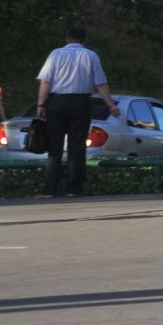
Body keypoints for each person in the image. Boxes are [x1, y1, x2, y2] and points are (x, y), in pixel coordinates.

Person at [34, 26, 121, 197]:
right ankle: (74, 188)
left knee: (55, 146)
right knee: (77, 145)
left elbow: (45, 82)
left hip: (57, 102)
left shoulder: (55, 54)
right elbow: (100, 84)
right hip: (81, 102)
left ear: (67, 39)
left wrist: (41, 105)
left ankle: (50, 189)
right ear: (84, 39)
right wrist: (111, 105)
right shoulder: (91, 56)